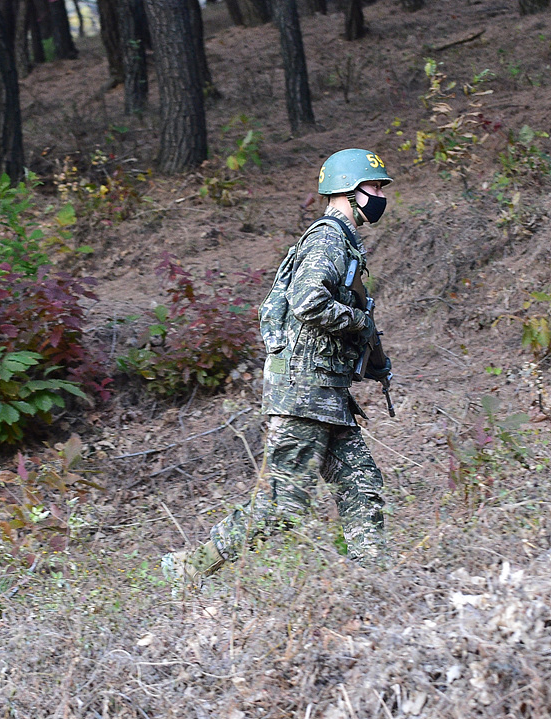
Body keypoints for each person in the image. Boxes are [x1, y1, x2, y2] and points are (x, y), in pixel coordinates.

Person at [163, 149, 394, 587]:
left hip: (325, 395)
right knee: (282, 506)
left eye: (381, 187)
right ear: (348, 189)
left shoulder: (343, 241)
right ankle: (189, 569)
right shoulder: (327, 239)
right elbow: (308, 301)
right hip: (303, 393)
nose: (381, 195)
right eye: (375, 186)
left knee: (361, 483)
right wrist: (360, 321)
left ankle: (377, 583)